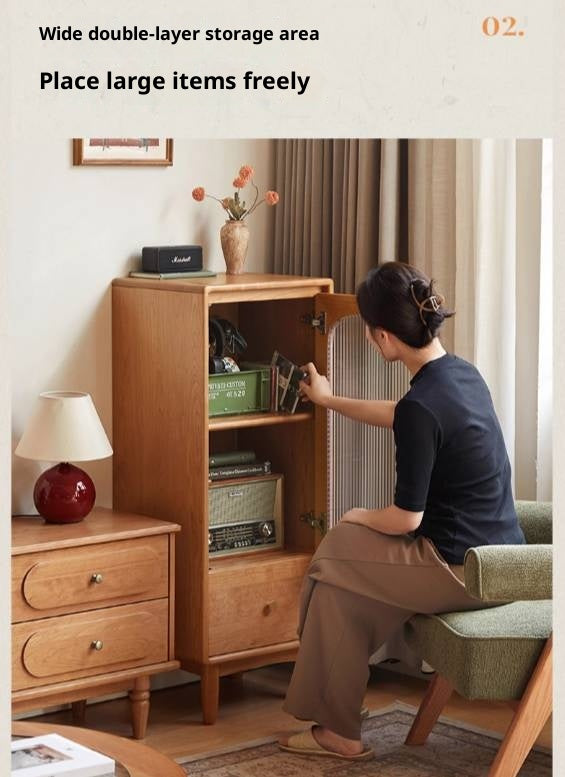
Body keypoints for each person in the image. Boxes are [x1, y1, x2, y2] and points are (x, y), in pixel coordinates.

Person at [278, 261, 525, 761]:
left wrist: (356, 516)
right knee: (340, 594)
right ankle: (339, 733)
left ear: (384, 337)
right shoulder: (461, 375)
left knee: (336, 549)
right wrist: (330, 400)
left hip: (460, 571)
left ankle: (319, 681)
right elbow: (403, 414)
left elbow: (405, 519)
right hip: (502, 562)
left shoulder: (422, 405)